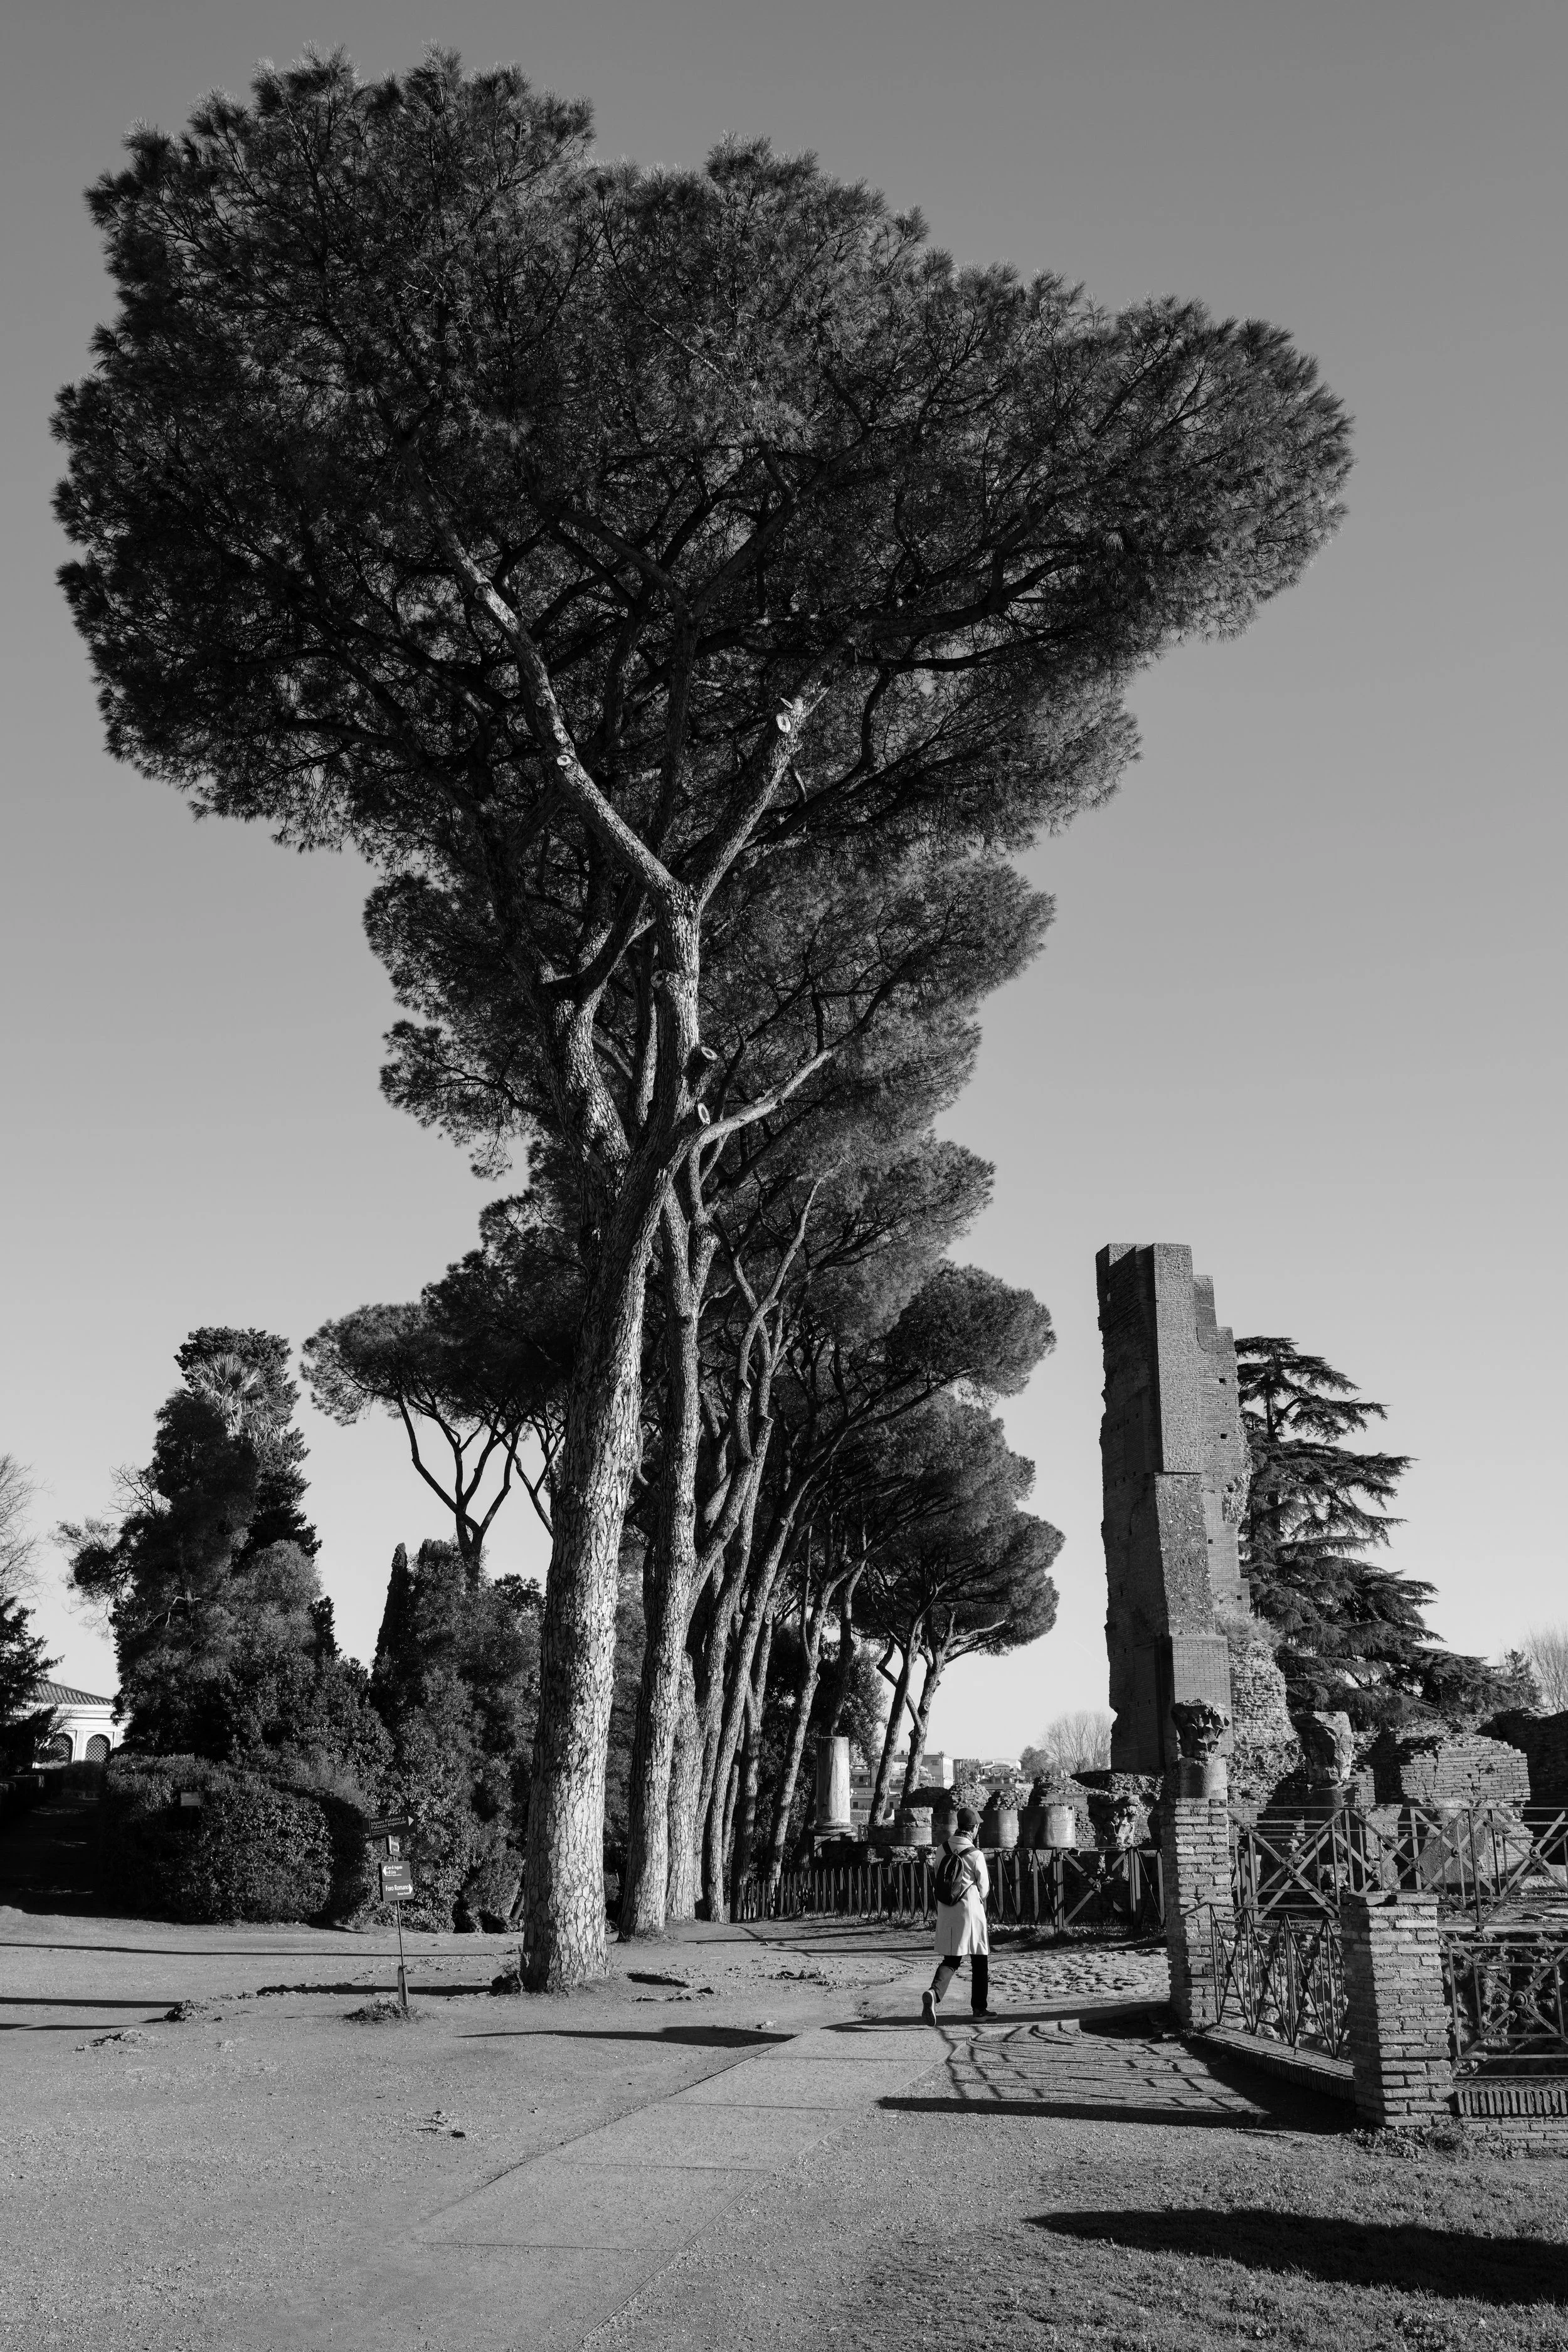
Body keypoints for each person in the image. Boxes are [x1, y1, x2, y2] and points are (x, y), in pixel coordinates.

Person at [922, 1804, 991, 2021]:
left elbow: (938, 1875)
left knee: (952, 1959)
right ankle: (979, 2010)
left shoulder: (942, 1849)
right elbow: (985, 1888)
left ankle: (934, 1993)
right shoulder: (976, 1854)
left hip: (947, 1908)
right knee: (980, 1960)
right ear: (973, 1829)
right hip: (970, 1911)